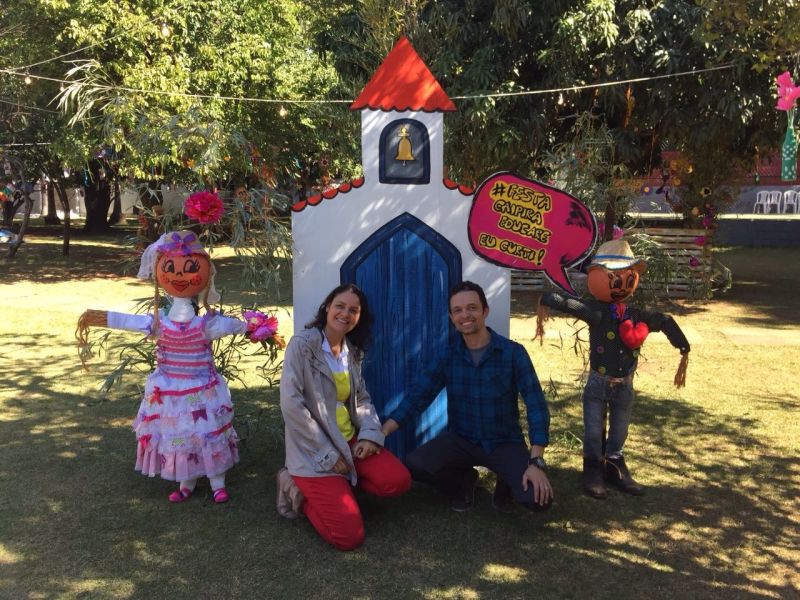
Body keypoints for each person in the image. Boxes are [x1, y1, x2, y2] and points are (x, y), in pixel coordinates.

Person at [77, 230, 278, 504]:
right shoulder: (159, 324)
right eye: (170, 269)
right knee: (181, 435)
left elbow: (233, 326)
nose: (179, 275)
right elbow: (128, 322)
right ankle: (187, 480)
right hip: (170, 393)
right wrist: (98, 317)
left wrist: (256, 328)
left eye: (190, 269)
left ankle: (217, 482)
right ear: (161, 274)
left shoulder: (206, 325)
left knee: (206, 433)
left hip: (201, 390)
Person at [381, 281, 553, 513]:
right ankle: (463, 482)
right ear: (452, 317)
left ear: (485, 311)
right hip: (461, 440)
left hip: (504, 442)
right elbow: (418, 396)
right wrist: (382, 432)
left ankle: (507, 483)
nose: (465, 315)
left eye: (472, 308)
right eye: (458, 310)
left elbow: (536, 406)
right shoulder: (447, 355)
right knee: (415, 464)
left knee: (537, 500)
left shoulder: (513, 353)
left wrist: (536, 461)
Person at [537, 238, 690, 499]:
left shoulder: (636, 315)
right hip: (598, 383)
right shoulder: (597, 312)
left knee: (620, 429)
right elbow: (572, 304)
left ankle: (614, 464)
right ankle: (593, 467)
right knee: (593, 430)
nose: (621, 284)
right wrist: (548, 299)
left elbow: (664, 320)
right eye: (613, 278)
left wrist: (682, 345)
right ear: (596, 277)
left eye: (627, 278)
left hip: (625, 385)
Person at [277, 283, 411, 551]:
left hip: (349, 442)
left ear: (359, 317)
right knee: (349, 538)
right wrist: (326, 454)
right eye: (340, 306)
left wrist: (370, 435)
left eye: (353, 310)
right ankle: (295, 489)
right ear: (327, 307)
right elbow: (292, 406)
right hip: (312, 450)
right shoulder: (303, 346)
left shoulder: (352, 352)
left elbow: (361, 399)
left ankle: (341, 486)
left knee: (398, 481)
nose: (345, 314)